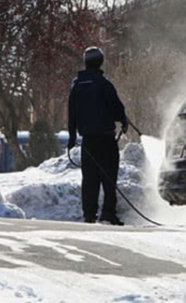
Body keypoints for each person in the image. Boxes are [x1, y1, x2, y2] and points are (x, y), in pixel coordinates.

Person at [67, 46, 128, 225]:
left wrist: (71, 139)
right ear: (100, 62)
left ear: (85, 62)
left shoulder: (76, 85)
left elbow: (72, 114)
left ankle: (89, 214)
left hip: (88, 142)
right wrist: (123, 120)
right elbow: (116, 108)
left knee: (90, 179)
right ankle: (108, 213)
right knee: (109, 177)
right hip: (106, 139)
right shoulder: (104, 84)